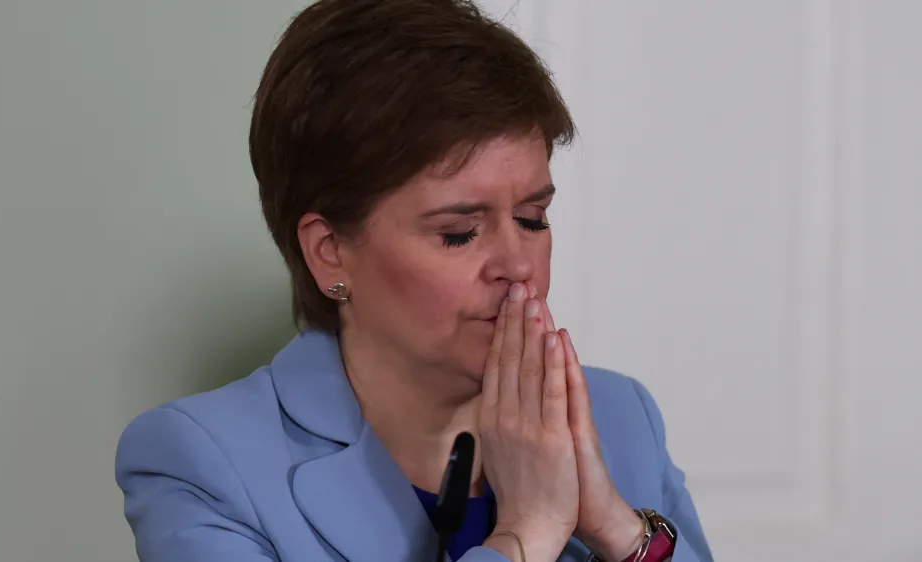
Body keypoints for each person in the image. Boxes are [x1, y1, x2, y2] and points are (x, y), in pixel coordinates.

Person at [114, 1, 714, 561]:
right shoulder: (201, 462)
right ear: (330, 254)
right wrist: (526, 532)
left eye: (533, 219)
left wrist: (619, 530)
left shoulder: (622, 416)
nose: (519, 264)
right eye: (459, 233)